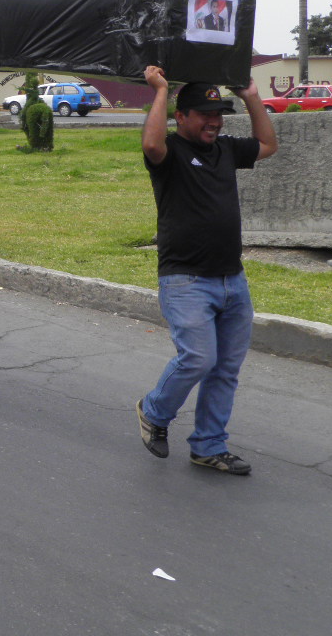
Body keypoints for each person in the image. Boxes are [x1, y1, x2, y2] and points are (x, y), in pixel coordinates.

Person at [135, 71, 277, 476]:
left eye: (219, 114)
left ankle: (209, 446)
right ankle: (154, 411)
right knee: (198, 358)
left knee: (225, 369)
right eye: (206, 114)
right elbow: (150, 142)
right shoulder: (170, 153)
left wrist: (251, 96)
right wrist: (161, 90)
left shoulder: (227, 150)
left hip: (233, 279)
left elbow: (268, 144)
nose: (215, 121)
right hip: (186, 280)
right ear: (182, 116)